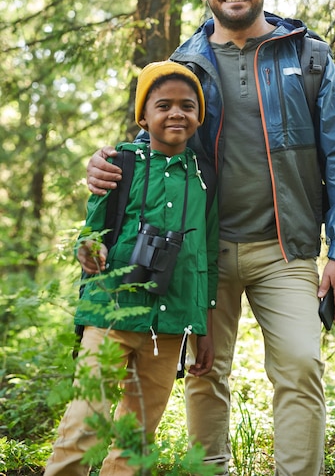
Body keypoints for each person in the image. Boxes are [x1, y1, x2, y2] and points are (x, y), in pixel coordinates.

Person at [84, 0, 335, 476]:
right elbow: (156, 141)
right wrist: (106, 168)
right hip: (199, 253)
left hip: (286, 249)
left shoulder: (308, 58)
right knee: (204, 371)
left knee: (302, 364)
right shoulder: (185, 62)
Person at [44, 61, 218, 476]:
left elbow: (207, 257)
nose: (176, 113)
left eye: (187, 105)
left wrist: (205, 328)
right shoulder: (122, 162)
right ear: (144, 117)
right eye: (164, 105)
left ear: (200, 115)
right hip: (111, 312)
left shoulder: (205, 176)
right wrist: (88, 251)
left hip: (171, 322)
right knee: (86, 423)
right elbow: (92, 230)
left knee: (138, 438)